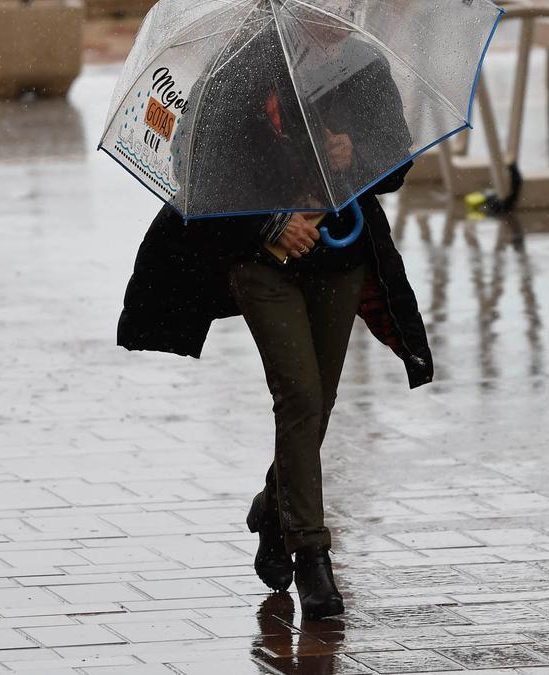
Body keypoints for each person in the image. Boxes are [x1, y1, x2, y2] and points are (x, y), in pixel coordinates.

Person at [116, 12, 432, 620]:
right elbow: (195, 170)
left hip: (339, 256)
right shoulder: (241, 66)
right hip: (259, 260)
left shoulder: (363, 64)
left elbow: (396, 161)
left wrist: (355, 153)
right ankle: (312, 555)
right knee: (299, 395)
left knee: (322, 398)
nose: (339, 12)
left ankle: (274, 506)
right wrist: (269, 225)